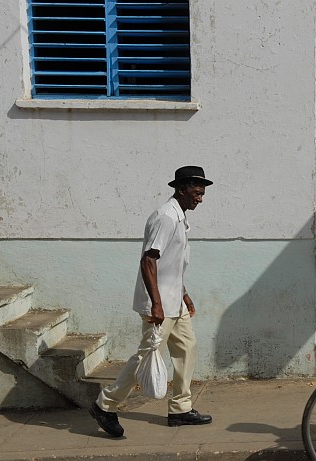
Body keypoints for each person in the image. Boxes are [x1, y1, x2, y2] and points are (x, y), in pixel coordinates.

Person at [89, 165, 214, 437]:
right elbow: (149, 260)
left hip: (174, 301)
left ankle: (180, 408)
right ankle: (105, 404)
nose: (200, 198)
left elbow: (172, 264)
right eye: (197, 192)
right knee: (146, 356)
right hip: (160, 304)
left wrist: (183, 293)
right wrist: (156, 304)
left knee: (187, 347)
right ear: (181, 189)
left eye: (203, 193)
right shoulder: (166, 217)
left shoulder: (179, 217)